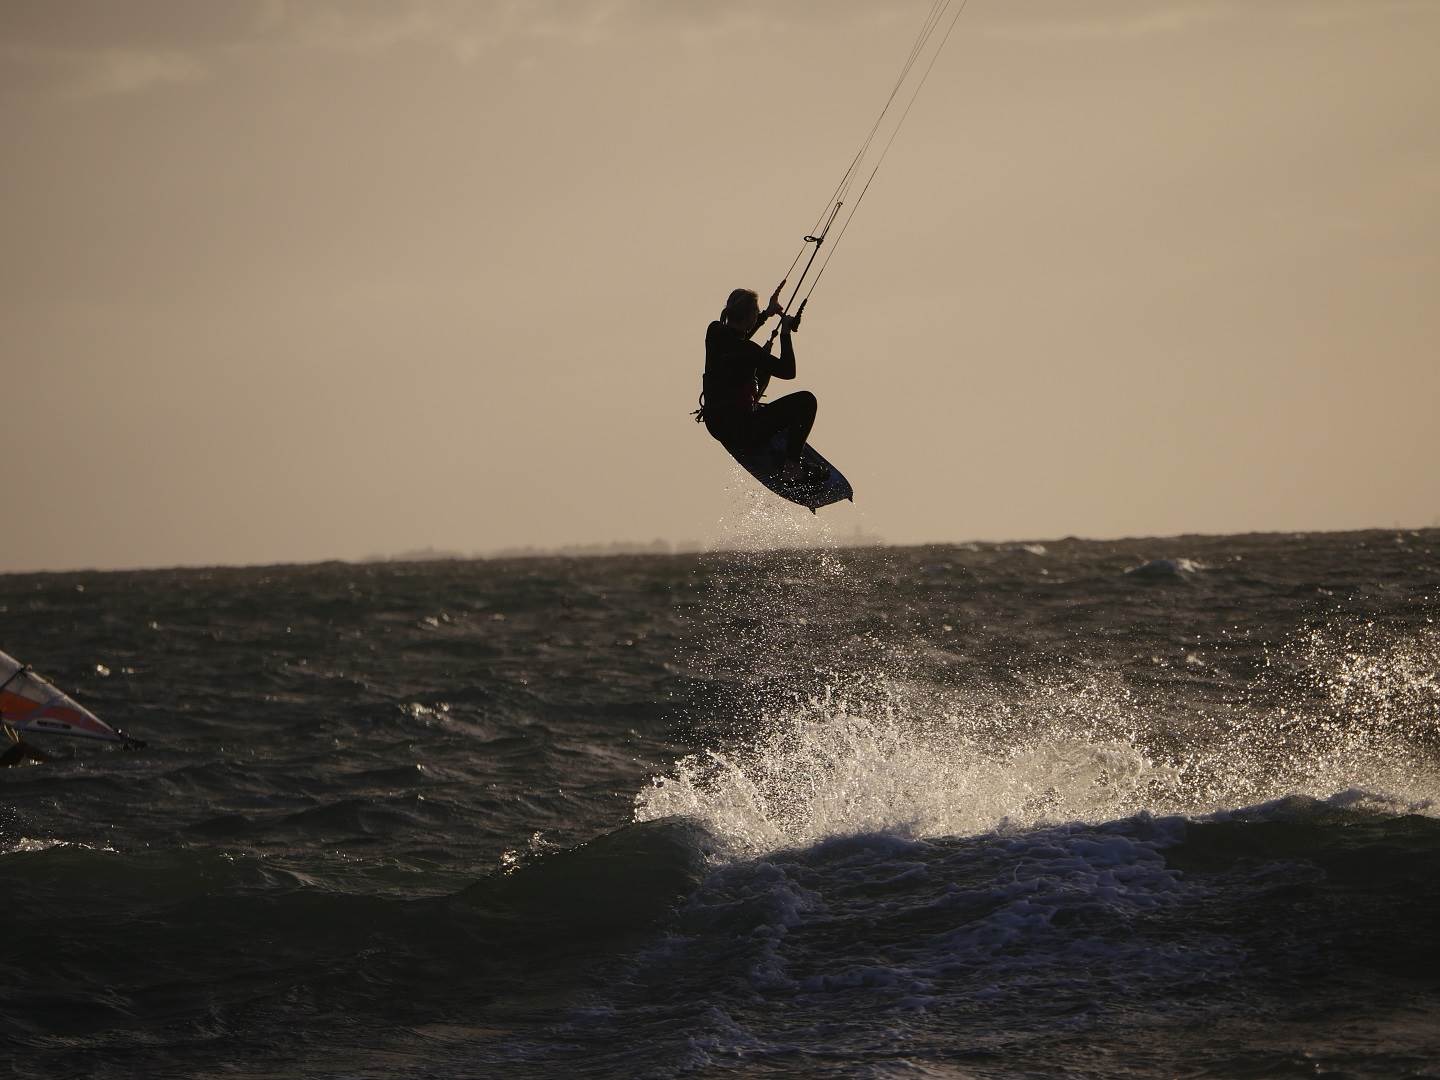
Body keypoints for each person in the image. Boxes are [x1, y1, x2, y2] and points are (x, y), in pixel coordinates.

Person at [696, 284, 817, 482]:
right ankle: (792, 466)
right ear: (750, 317)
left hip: (716, 423)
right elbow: (788, 371)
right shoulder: (750, 351)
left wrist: (766, 314)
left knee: (755, 372)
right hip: (742, 431)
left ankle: (759, 425)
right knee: (806, 401)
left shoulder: (715, 332)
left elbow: (735, 341)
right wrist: (785, 334)